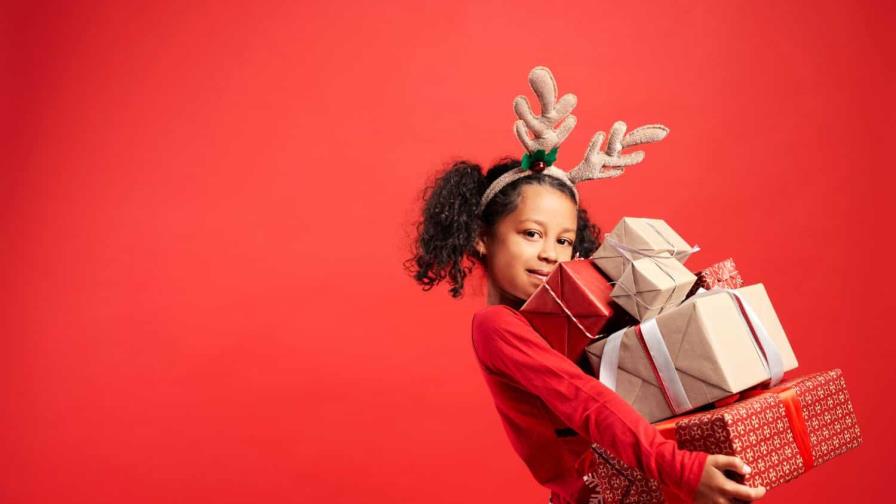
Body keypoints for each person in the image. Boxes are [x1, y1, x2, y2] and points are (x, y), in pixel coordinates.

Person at [405, 158, 768, 503]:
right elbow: (585, 400)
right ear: (481, 237)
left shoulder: (567, 319)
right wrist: (679, 469)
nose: (550, 254)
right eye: (531, 233)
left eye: (563, 241)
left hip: (647, 484)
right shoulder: (497, 325)